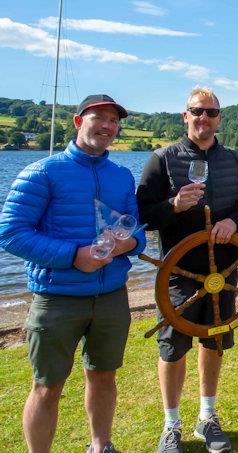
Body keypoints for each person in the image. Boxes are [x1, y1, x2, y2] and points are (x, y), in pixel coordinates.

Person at [0, 95, 145, 453]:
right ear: (79, 122)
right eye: (100, 118)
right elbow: (11, 232)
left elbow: (136, 228)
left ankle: (101, 445)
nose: (107, 127)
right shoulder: (42, 172)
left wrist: (129, 244)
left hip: (111, 296)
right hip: (57, 298)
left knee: (103, 376)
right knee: (47, 386)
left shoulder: (122, 176)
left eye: (114, 121)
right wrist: (72, 256)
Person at [137, 87, 238, 453]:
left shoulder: (234, 160)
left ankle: (207, 416)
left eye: (210, 112)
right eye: (197, 111)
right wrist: (174, 205)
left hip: (223, 270)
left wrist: (235, 223)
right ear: (185, 116)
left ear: (219, 118)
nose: (203, 118)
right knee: (173, 348)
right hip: (177, 272)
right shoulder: (161, 159)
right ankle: (171, 424)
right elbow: (142, 215)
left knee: (214, 340)